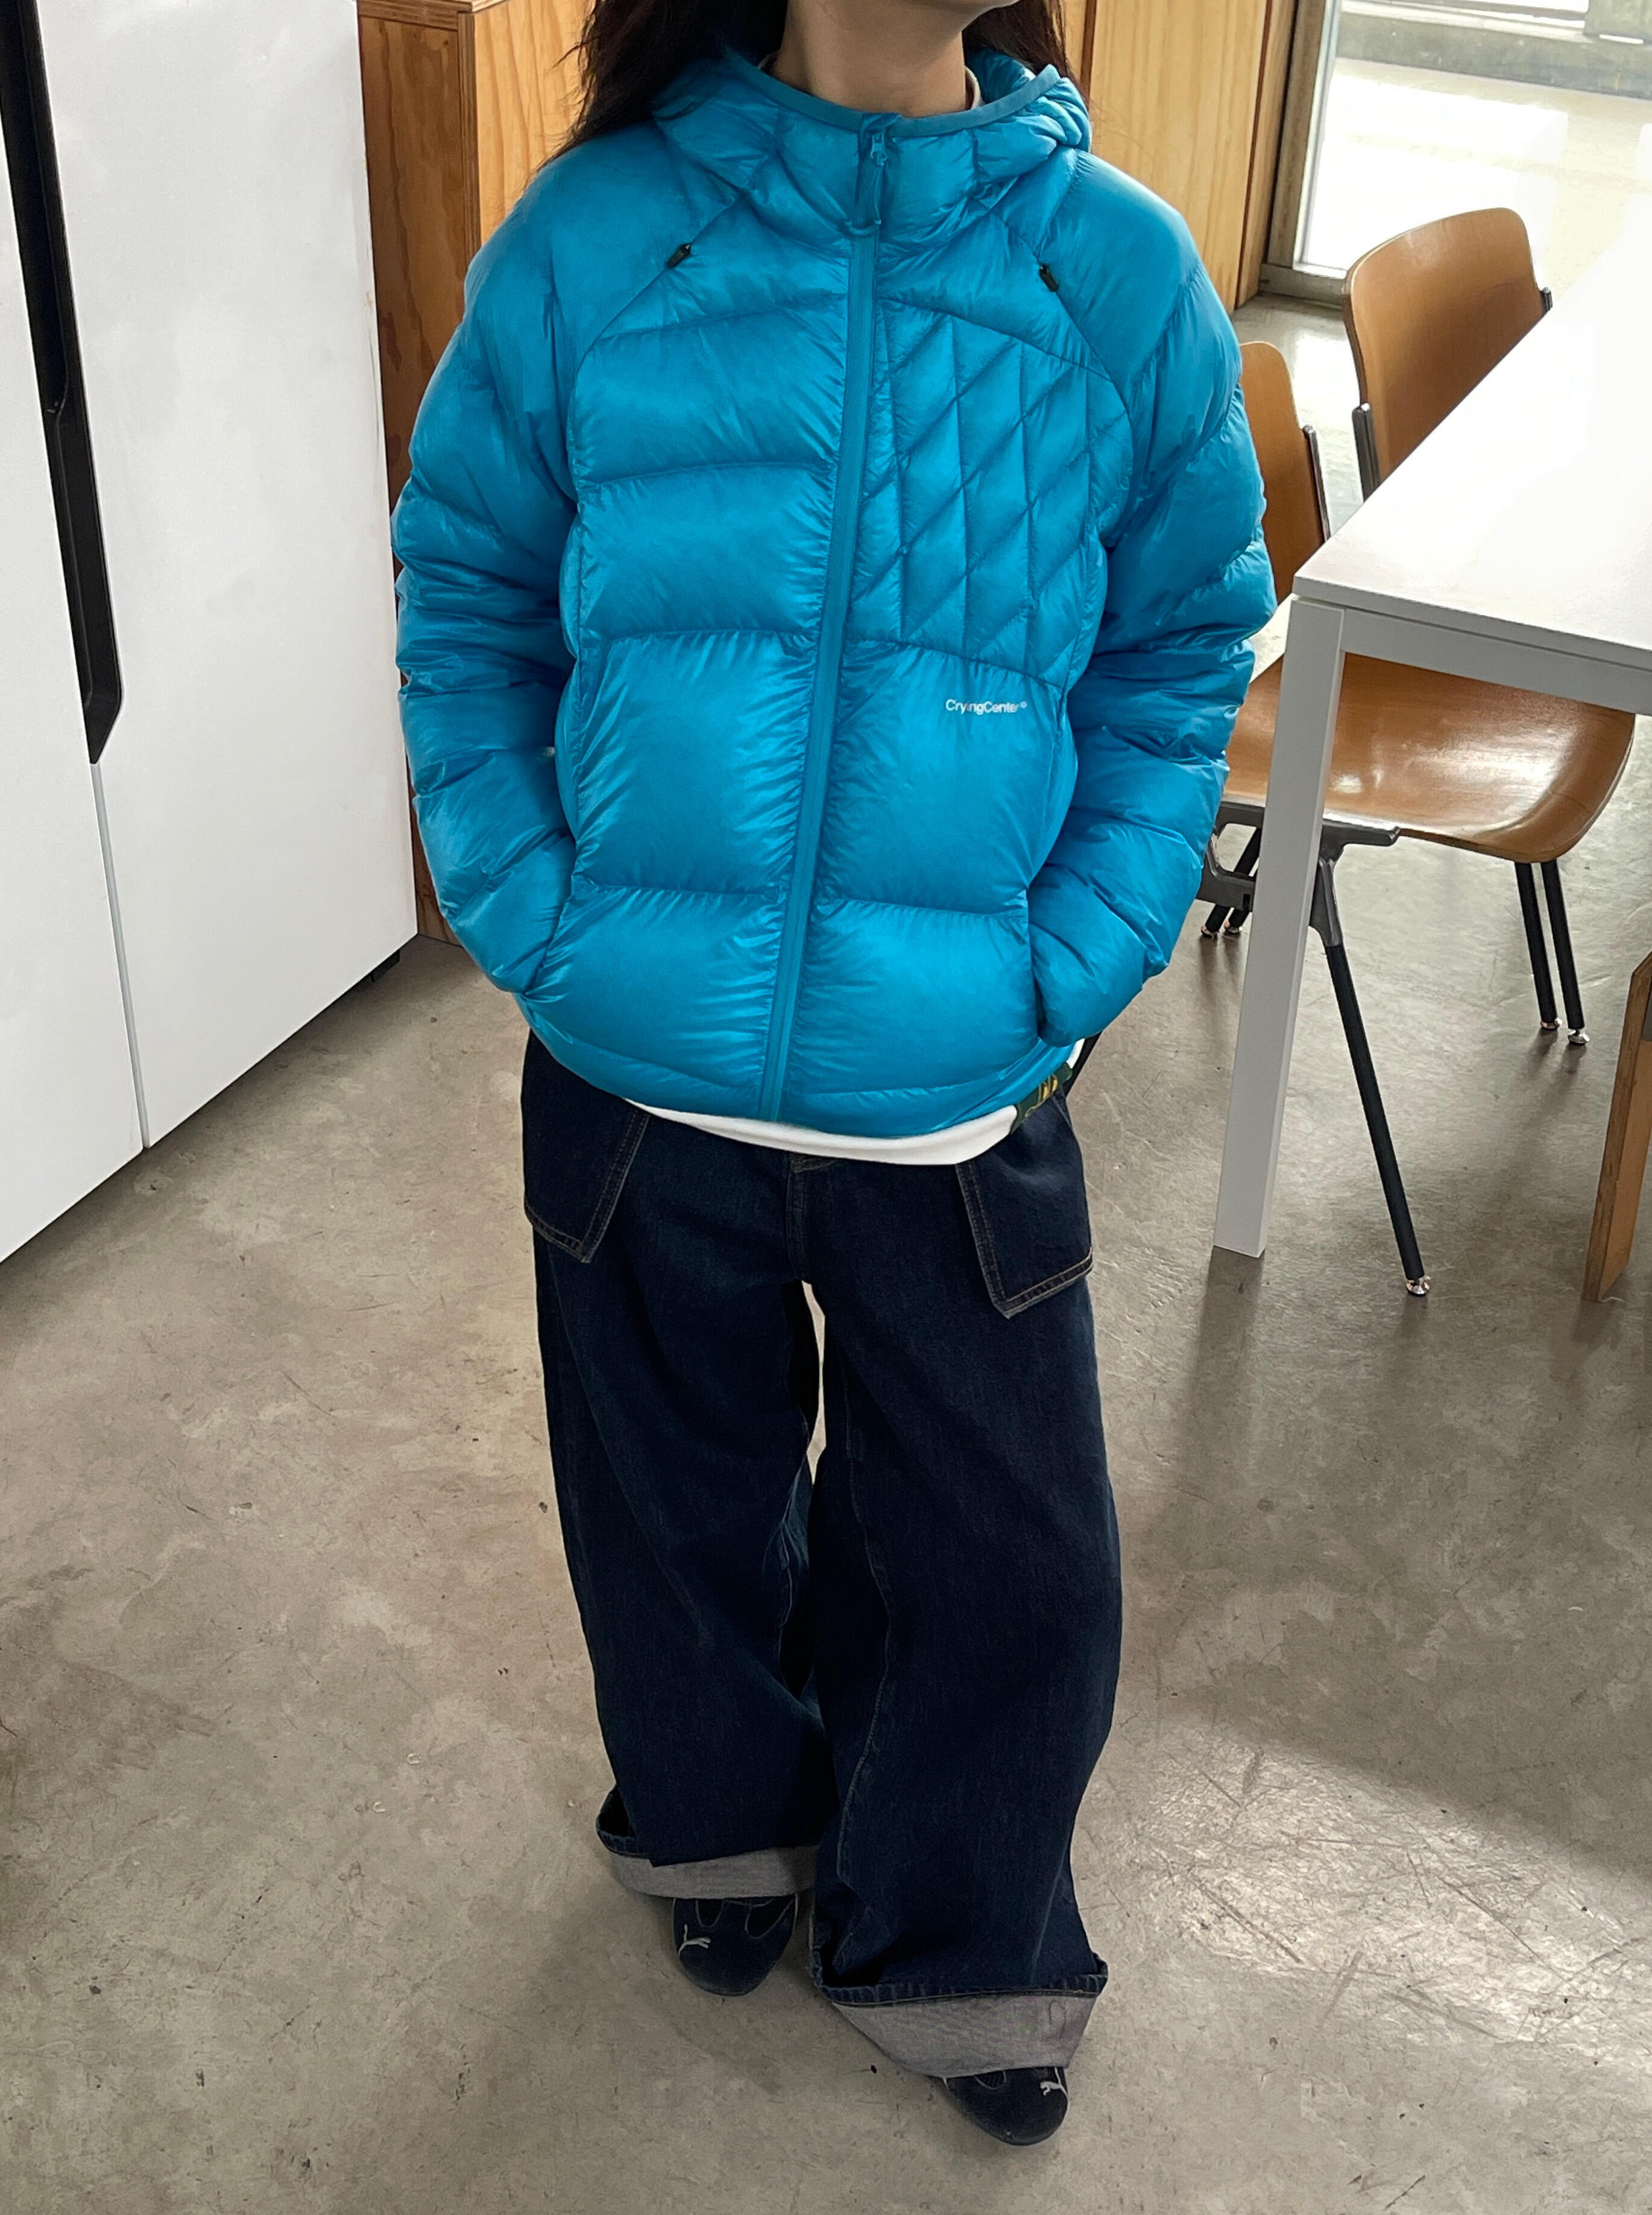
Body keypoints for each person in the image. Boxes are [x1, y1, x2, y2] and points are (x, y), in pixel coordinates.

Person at [391, 0, 1274, 2149]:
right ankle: (718, 1824)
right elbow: (469, 586)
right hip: (634, 1084)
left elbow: (1179, 643)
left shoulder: (1115, 271)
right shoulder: (601, 236)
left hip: (954, 1097)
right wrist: (536, 909)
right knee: (669, 1516)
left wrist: (1068, 954)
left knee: (1013, 1568)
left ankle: (958, 1931)